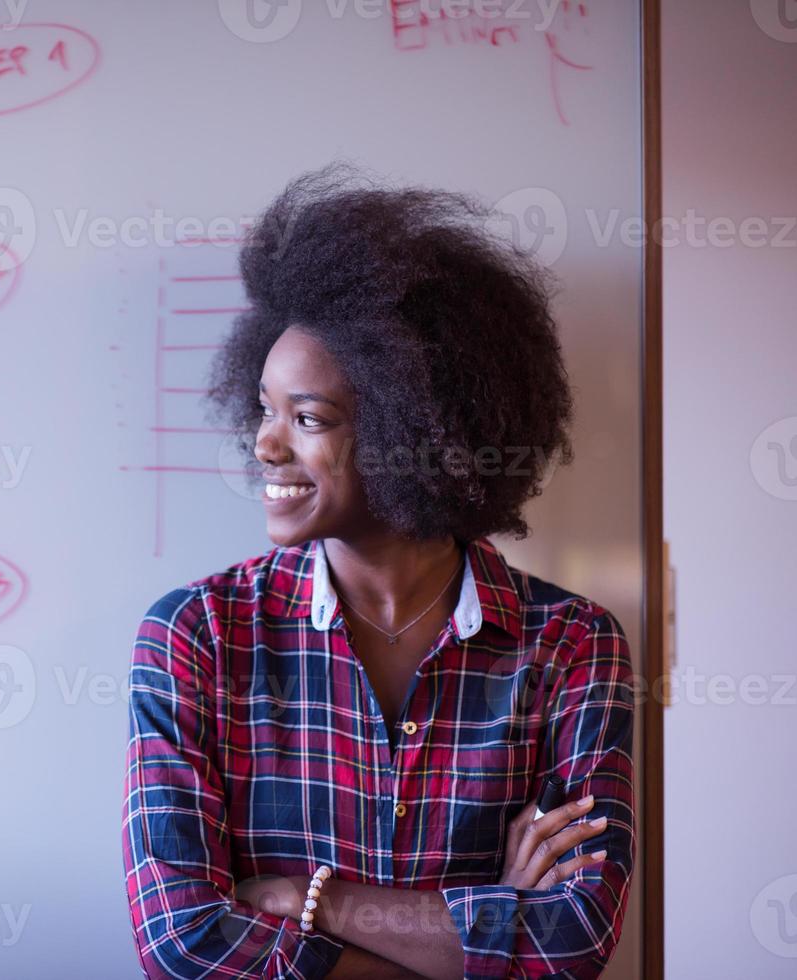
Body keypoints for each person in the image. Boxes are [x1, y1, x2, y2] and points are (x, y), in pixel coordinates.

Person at [121, 163, 636, 979]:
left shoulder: (570, 645)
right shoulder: (198, 634)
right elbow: (183, 944)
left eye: (308, 417)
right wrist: (478, 938)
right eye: (263, 407)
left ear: (420, 432)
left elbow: (569, 943)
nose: (263, 444)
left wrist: (303, 900)